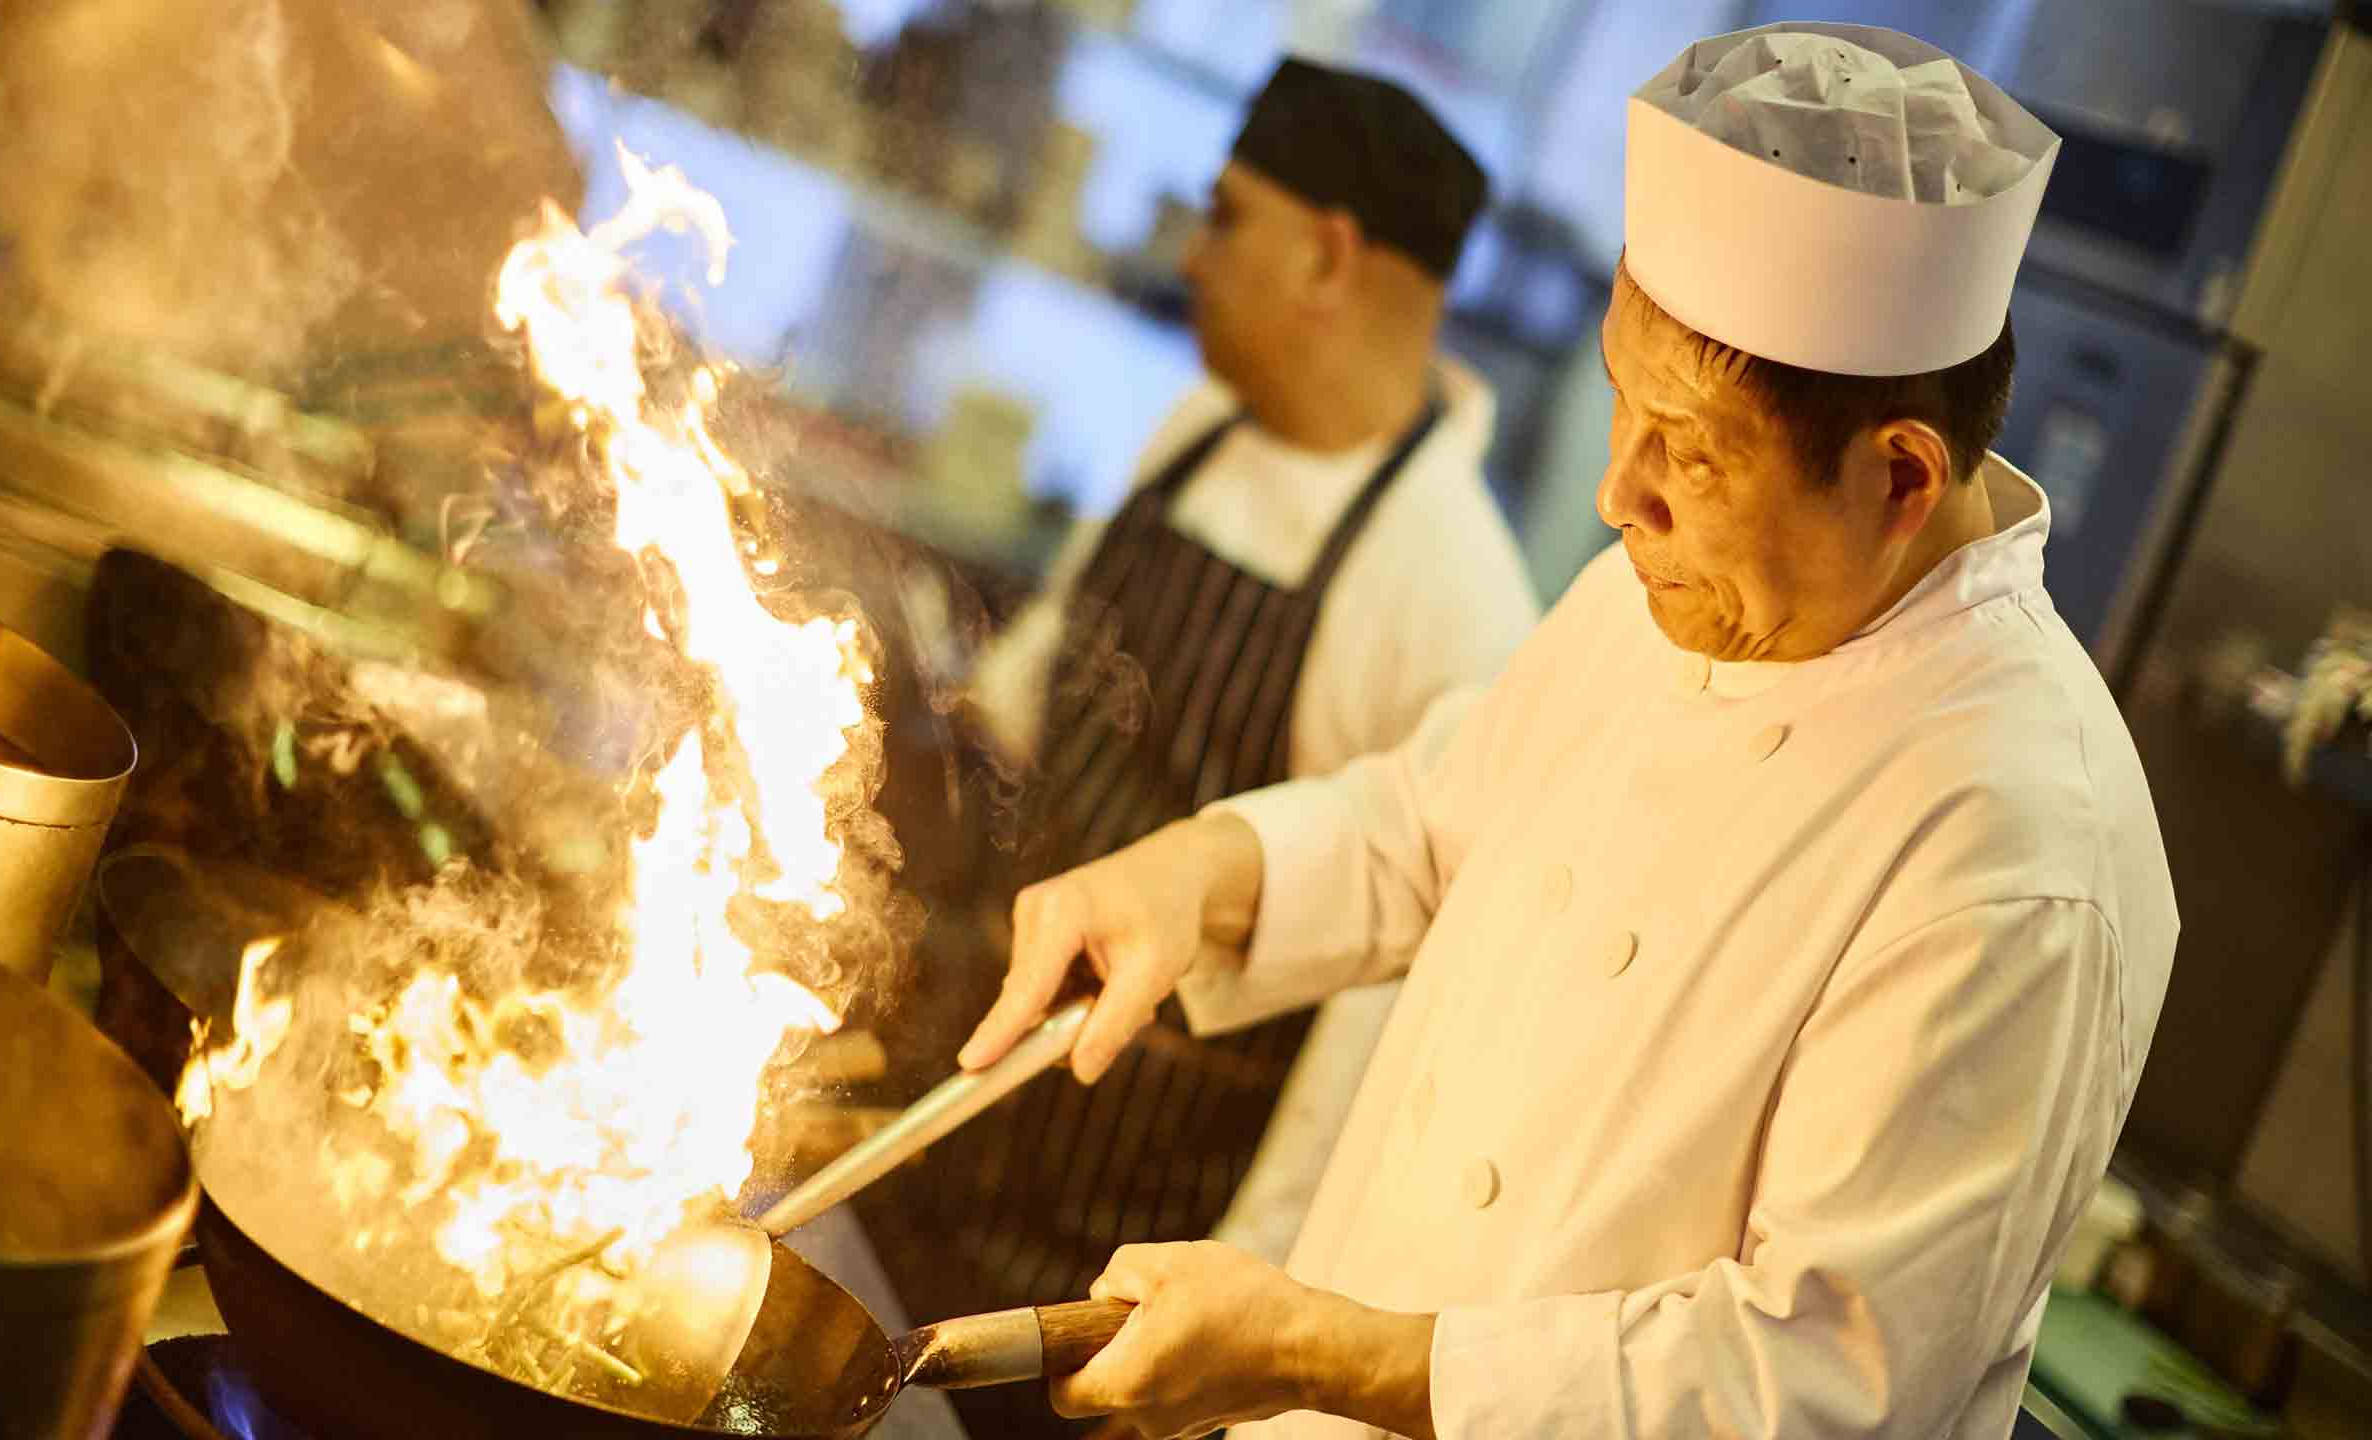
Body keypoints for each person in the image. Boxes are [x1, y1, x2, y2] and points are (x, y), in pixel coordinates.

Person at [955, 23, 2177, 1440]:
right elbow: (1426, 827)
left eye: (1694, 450)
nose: (1616, 492)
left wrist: (1315, 1355)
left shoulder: (2020, 846)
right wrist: (1198, 869)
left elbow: (1816, 1384)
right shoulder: (1663, 598)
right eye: (1619, 399)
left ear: (1899, 477)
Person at [859, 57, 1537, 1437]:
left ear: (1327, 257)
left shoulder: (1449, 595)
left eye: (1225, 216)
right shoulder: (1199, 432)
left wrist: (1244, 1337)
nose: (1188, 250)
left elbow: (1374, 1041)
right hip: (956, 1109)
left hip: (1119, 1250)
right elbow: (1048, 683)